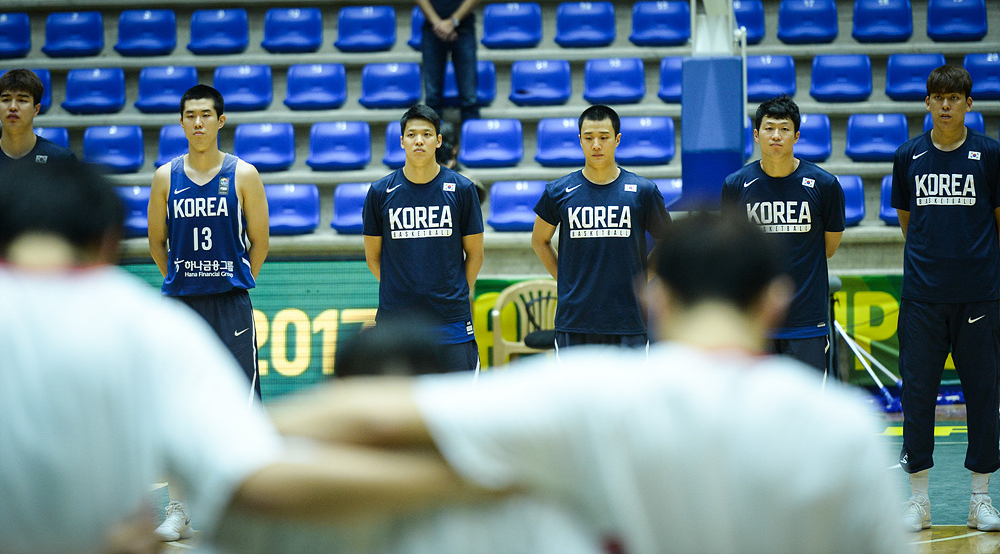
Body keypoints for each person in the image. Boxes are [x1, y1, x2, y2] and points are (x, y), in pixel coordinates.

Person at [273, 213, 906, 553]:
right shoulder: (847, 429)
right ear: (774, 302)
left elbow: (379, 416)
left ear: (653, 299)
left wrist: (209, 429)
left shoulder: (591, 393)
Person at [0, 158, 489, 553]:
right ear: (106, 241)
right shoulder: (147, 325)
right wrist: (474, 475)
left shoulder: (148, 322)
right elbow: (253, 478)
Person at [146, 84, 269, 540]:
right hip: (181, 306)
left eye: (205, 115)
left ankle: (247, 508)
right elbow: (157, 244)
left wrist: (231, 279)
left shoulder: (244, 174)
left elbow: (261, 242)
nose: (197, 122)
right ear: (181, 122)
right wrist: (183, 278)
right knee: (178, 408)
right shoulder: (165, 177)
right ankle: (181, 507)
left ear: (221, 121)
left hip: (230, 304)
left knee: (241, 406)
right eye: (189, 115)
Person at [891, 64, 1000, 532]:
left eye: (955, 98)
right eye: (938, 97)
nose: (946, 105)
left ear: (969, 104)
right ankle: (919, 501)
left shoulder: (991, 155)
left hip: (979, 295)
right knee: (917, 396)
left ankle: (981, 498)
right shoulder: (908, 156)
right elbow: (906, 219)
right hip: (922, 297)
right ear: (929, 103)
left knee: (983, 395)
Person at [721, 95, 846, 373]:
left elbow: (828, 247)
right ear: (756, 134)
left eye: (784, 128)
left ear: (796, 135)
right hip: (755, 322)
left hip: (807, 322)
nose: (776, 135)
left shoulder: (825, 185)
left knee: (806, 412)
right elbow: (734, 249)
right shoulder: (736, 185)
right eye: (769, 128)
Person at [531, 104, 672, 350]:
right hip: (575, 319)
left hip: (628, 319)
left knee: (629, 390)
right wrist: (564, 279)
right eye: (589, 138)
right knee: (576, 390)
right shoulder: (558, 191)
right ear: (580, 141)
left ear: (617, 140)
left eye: (604, 137)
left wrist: (643, 278)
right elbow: (539, 240)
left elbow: (669, 242)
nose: (596, 144)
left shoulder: (643, 191)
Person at [362, 104, 484, 373]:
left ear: (439, 141)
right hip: (398, 322)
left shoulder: (462, 189)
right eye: (412, 134)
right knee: (399, 412)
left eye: (427, 134)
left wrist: (456, 292)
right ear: (402, 141)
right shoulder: (380, 192)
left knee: (458, 409)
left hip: (451, 321)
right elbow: (373, 256)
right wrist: (402, 288)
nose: (419, 140)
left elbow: (475, 254)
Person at [415, 0, 481, 122]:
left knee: (469, 97)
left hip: (464, 31)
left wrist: (452, 22)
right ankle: (433, 140)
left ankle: (473, 139)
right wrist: (440, 25)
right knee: (432, 97)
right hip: (432, 32)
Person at [0, 68, 76, 167]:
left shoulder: (62, 160)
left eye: (22, 100)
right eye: (6, 100)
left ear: (36, 109)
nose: (13, 107)